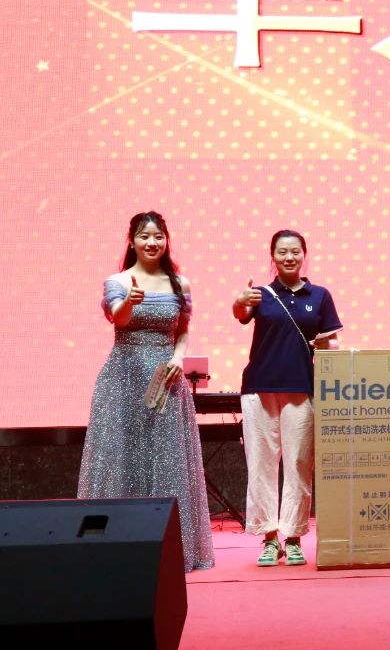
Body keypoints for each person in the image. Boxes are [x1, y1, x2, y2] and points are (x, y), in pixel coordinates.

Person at [78, 211, 216, 572]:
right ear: (132, 241)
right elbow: (118, 318)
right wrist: (130, 301)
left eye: (158, 236)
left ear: (166, 240)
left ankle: (172, 550)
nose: (152, 242)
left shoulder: (180, 284)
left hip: (166, 381)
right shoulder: (118, 280)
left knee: (166, 460)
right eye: (144, 236)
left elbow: (183, 329)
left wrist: (179, 357)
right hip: (121, 379)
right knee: (120, 457)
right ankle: (114, 548)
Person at [233, 230, 342, 567]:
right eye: (282, 252)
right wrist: (240, 301)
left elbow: (332, 342)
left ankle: (293, 538)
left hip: (301, 388)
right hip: (259, 387)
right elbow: (240, 314)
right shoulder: (260, 294)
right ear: (273, 257)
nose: (289, 257)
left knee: (298, 464)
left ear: (304, 256)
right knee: (261, 465)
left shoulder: (320, 295)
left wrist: (325, 344)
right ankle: (269, 539)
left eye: (295, 251)